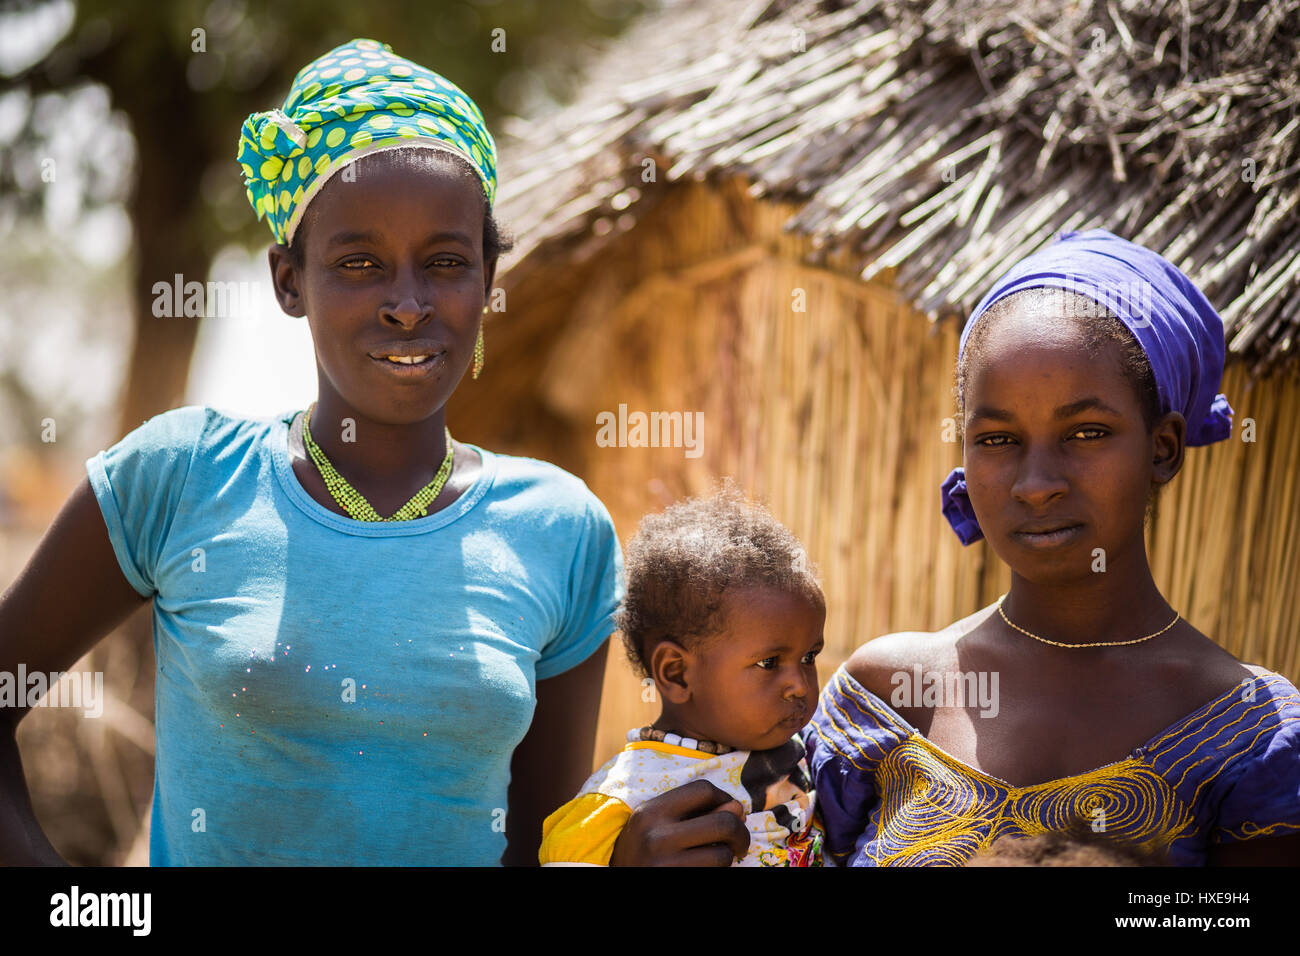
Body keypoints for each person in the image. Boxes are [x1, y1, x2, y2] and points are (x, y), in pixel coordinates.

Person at [0, 39, 622, 866]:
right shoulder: (182, 479)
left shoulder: (561, 531)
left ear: (488, 277)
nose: (407, 304)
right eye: (359, 263)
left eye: (445, 263)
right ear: (289, 281)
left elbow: (542, 845)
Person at [804, 230, 1300, 866]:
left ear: (1163, 448)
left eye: (1086, 432)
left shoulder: (1247, 737)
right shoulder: (890, 697)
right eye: (997, 440)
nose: (1036, 485)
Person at [538, 486, 825, 866]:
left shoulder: (808, 750)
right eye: (769, 663)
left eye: (809, 656)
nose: (799, 685)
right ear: (676, 673)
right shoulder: (623, 796)